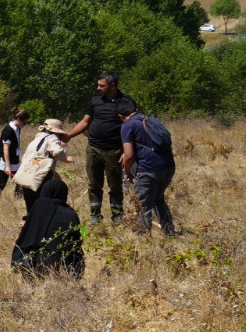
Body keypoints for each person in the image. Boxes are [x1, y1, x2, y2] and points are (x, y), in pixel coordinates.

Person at [65, 74, 136, 224]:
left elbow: (131, 125)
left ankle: (117, 216)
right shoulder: (95, 100)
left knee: (115, 185)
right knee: (94, 184)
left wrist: (127, 151)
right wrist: (69, 135)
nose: (98, 88)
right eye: (98, 85)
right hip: (93, 148)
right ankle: (95, 215)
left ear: (113, 86)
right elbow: (85, 122)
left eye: (102, 85)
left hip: (114, 151)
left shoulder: (126, 101)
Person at [11, 177, 85, 277]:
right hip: (70, 268)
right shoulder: (71, 213)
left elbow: (30, 236)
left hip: (42, 264)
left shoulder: (41, 205)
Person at [121, 105, 177, 236]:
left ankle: (144, 238)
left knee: (143, 205)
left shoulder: (128, 125)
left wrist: (127, 172)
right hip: (168, 166)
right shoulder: (151, 119)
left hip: (148, 169)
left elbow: (128, 155)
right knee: (158, 199)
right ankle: (169, 232)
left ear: (120, 116)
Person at [12, 118, 71, 212]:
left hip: (27, 174)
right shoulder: (52, 137)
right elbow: (57, 151)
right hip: (40, 176)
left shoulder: (37, 138)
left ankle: (29, 220)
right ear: (55, 131)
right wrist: (66, 159)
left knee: (30, 204)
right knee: (42, 202)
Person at [0, 108, 29, 197]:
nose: (25, 125)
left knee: (20, 181)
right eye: (25, 122)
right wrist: (8, 167)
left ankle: (18, 199)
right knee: (0, 185)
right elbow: (6, 149)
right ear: (19, 120)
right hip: (4, 162)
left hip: (14, 160)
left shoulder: (18, 128)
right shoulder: (8, 130)